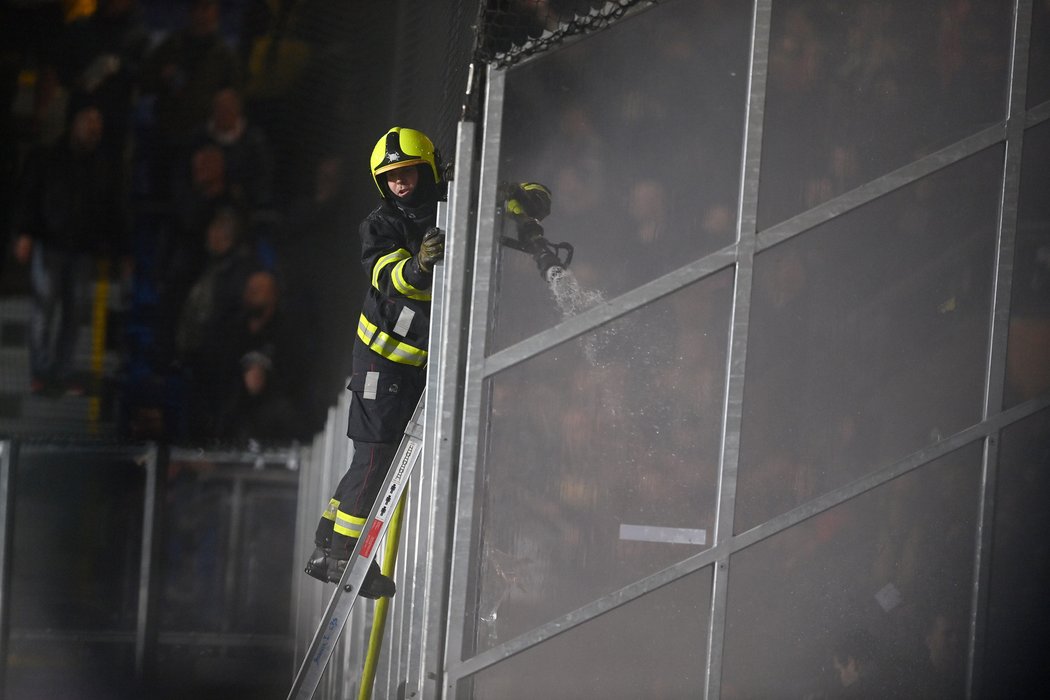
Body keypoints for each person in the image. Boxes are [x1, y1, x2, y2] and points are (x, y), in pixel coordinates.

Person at [303, 127, 446, 598]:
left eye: (406, 173)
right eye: (391, 178)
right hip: (381, 362)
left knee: (372, 455)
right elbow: (391, 278)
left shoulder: (449, 202)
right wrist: (419, 265)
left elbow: (498, 194)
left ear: (427, 169)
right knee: (376, 454)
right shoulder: (379, 225)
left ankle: (328, 540)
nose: (400, 184)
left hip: (404, 367)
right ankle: (343, 555)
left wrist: (522, 198)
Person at [9, 98, 128, 394]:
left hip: (83, 249)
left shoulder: (103, 166)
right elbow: (29, 196)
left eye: (98, 126)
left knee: (74, 314)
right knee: (44, 309)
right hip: (49, 243)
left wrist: (119, 250)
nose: (93, 130)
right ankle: (41, 371)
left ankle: (63, 372)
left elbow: (112, 210)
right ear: (74, 124)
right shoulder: (47, 156)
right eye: (88, 123)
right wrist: (23, 233)